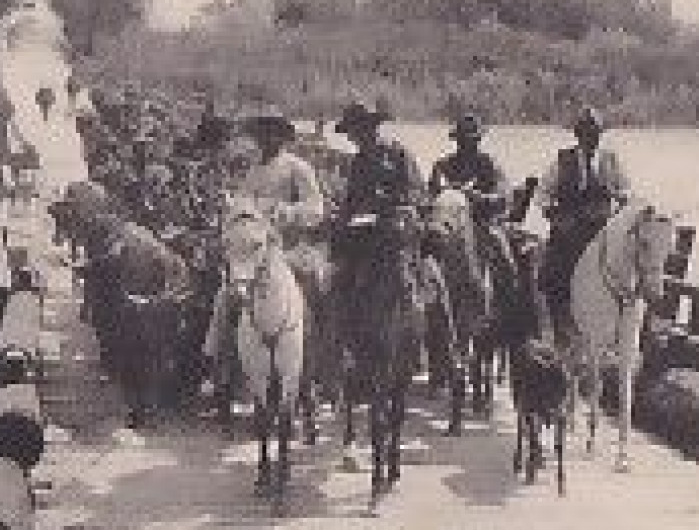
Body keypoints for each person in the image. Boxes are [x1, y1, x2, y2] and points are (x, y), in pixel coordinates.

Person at [201, 107, 328, 374]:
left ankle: (322, 365)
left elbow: (316, 209)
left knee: (317, 294)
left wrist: (288, 211)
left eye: (272, 133)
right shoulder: (251, 171)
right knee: (226, 297)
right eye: (261, 133)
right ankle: (222, 364)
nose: (266, 139)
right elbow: (241, 211)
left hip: (294, 248)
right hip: (255, 253)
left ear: (282, 137)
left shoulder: (298, 168)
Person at [536, 106, 632, 341]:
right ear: (578, 135)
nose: (591, 138)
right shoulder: (563, 160)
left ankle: (620, 324)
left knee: (625, 268)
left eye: (596, 133)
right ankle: (558, 321)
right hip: (570, 231)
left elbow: (626, 191)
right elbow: (542, 194)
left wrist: (617, 204)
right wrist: (556, 217)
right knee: (554, 272)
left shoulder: (611, 160)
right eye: (586, 133)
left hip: (601, 229)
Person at [332, 100, 426, 299]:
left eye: (359, 129)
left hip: (397, 219)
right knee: (340, 255)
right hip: (366, 223)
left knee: (396, 254)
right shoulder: (358, 162)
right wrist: (342, 216)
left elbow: (416, 191)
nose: (355, 137)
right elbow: (351, 199)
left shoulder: (398, 153)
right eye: (352, 132)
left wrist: (391, 200)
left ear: (372, 127)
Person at [429, 112, 513, 286]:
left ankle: (509, 302)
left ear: (478, 141)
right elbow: (428, 196)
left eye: (471, 140)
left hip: (481, 221)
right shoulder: (442, 166)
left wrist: (477, 197)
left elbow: (503, 197)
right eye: (462, 140)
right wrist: (442, 194)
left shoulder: (488, 164)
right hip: (447, 226)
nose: (466, 145)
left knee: (503, 257)